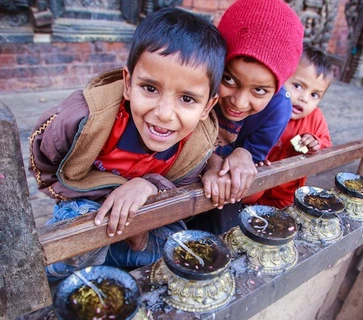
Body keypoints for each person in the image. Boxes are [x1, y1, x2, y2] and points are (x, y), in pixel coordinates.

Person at [28, 7, 226, 281]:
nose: (165, 113)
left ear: (208, 106)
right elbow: (45, 161)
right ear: (128, 83)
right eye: (150, 88)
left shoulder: (195, 146)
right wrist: (89, 198)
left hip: (143, 212)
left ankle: (124, 250)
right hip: (88, 204)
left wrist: (148, 188)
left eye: (187, 99)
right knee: (81, 233)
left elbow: (180, 190)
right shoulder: (83, 119)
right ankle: (54, 276)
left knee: (176, 245)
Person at [186, 0, 304, 234]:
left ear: (276, 88)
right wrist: (210, 160)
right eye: (228, 79)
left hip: (221, 190)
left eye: (259, 90)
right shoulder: (199, 81)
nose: (238, 103)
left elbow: (253, 156)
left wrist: (245, 153)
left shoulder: (278, 109)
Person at [243, 46, 333, 209]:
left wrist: (315, 143)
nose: (304, 98)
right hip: (252, 185)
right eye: (298, 86)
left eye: (314, 95)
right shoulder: (267, 108)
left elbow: (326, 150)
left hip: (286, 193)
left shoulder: (315, 118)